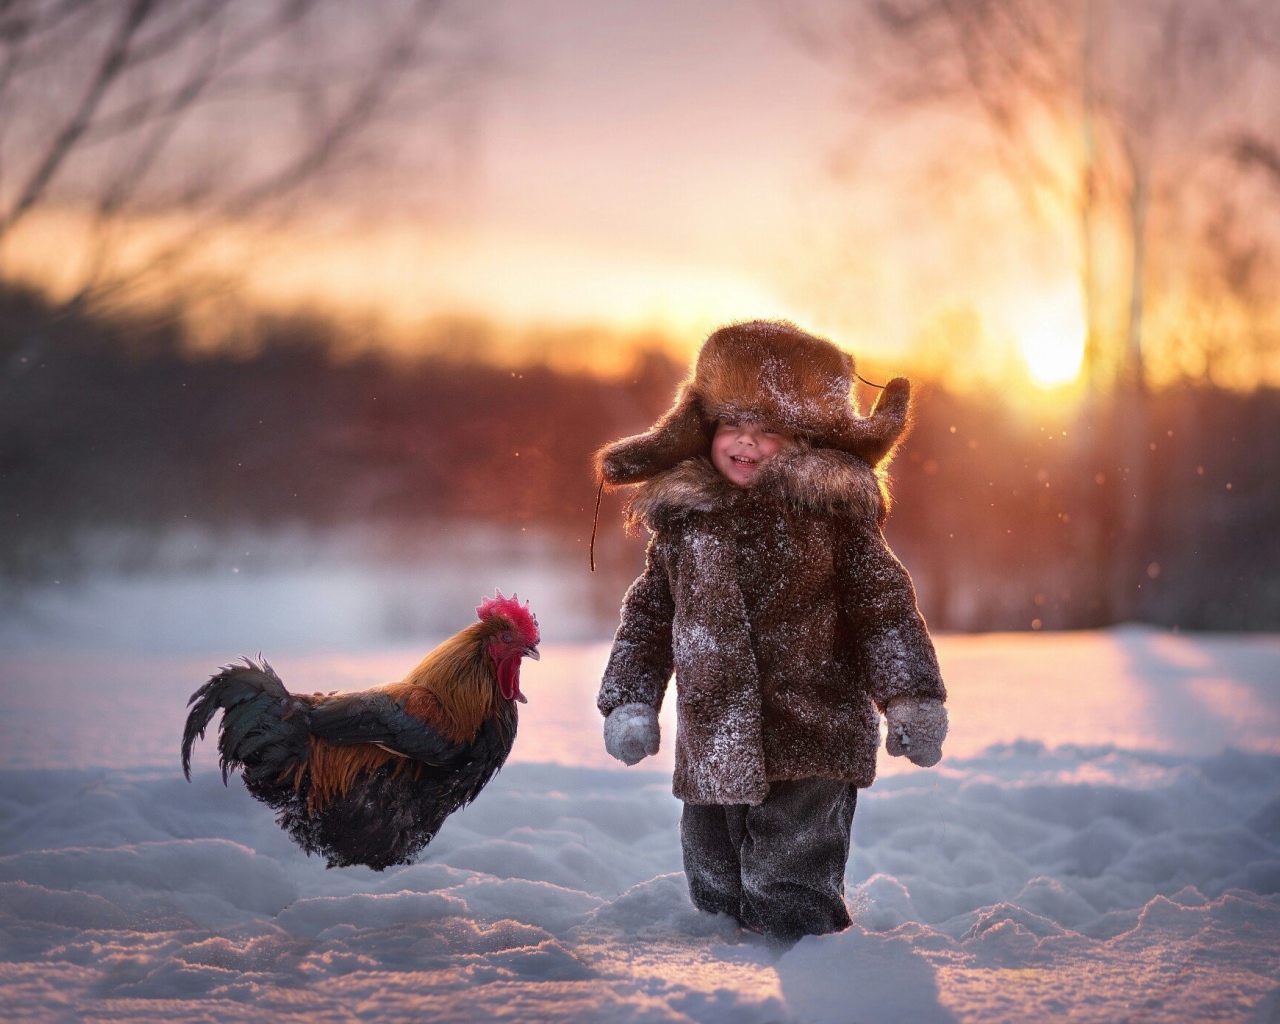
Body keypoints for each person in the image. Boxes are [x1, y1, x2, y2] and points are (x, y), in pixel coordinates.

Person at [594, 320, 947, 944]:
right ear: (703, 428)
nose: (747, 441)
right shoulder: (685, 525)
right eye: (731, 423)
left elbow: (883, 611)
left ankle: (809, 967)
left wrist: (910, 696)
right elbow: (647, 620)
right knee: (715, 887)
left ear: (809, 438)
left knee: (790, 887)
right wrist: (630, 700)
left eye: (771, 429)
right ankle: (725, 972)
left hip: (813, 732)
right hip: (713, 739)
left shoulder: (833, 520)